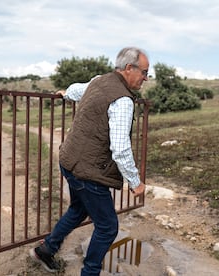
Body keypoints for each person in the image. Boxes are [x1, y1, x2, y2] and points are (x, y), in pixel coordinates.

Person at [29, 46, 148, 275]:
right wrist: (135, 182)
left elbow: (76, 90)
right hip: (87, 171)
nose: (145, 78)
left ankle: (46, 250)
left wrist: (64, 92)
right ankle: (89, 272)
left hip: (69, 160)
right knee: (107, 227)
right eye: (144, 72)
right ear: (129, 68)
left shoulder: (98, 81)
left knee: (77, 210)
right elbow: (121, 148)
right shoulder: (123, 100)